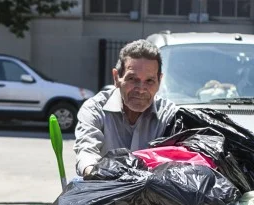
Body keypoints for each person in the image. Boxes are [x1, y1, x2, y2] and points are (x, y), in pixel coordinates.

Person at [74, 39, 177, 177]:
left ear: (159, 81)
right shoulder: (95, 109)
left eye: (149, 81)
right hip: (107, 193)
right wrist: (94, 172)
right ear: (116, 78)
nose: (141, 89)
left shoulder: (170, 115)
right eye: (132, 79)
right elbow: (86, 151)